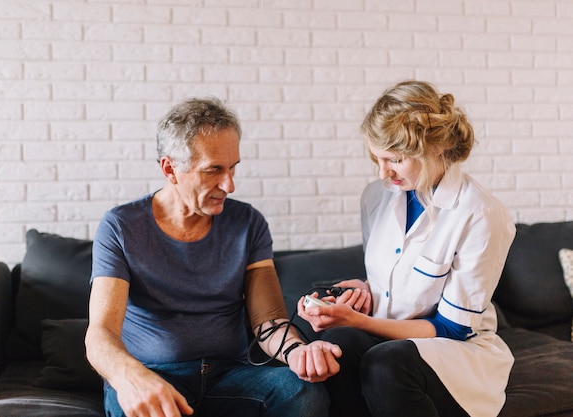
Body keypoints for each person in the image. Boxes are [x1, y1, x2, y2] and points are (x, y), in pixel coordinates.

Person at [85, 96, 342, 417]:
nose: (229, 184)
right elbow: (101, 333)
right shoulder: (122, 226)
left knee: (303, 392)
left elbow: (269, 323)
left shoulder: (248, 223)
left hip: (233, 373)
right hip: (154, 374)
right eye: (213, 171)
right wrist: (129, 376)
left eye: (233, 168)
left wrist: (298, 352)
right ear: (170, 169)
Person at [298, 80, 516, 417]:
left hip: (454, 350)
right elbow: (397, 281)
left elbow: (451, 328)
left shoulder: (481, 214)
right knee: (335, 348)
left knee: (386, 364)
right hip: (391, 336)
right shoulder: (376, 196)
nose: (383, 172)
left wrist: (357, 321)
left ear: (434, 148)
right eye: (377, 159)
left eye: (395, 160)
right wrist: (365, 293)